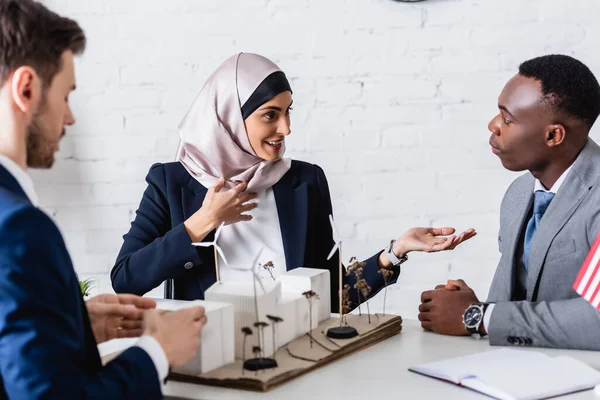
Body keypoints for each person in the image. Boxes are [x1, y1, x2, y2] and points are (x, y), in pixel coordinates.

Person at [111, 52, 477, 310]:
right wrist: (204, 221)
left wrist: (395, 251)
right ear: (228, 117)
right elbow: (126, 279)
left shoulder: (304, 182)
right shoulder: (172, 182)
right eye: (270, 115)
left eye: (288, 112)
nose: (286, 128)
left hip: (296, 368)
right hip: (207, 368)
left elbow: (331, 296)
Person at [0, 1, 207, 398]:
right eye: (66, 95)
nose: (70, 117)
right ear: (26, 89)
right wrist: (157, 352)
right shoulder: (19, 228)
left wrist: (74, 328)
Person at [418, 54, 600, 350]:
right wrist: (470, 306)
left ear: (553, 135)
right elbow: (520, 303)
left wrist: (478, 316)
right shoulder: (519, 193)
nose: (493, 125)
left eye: (507, 118)